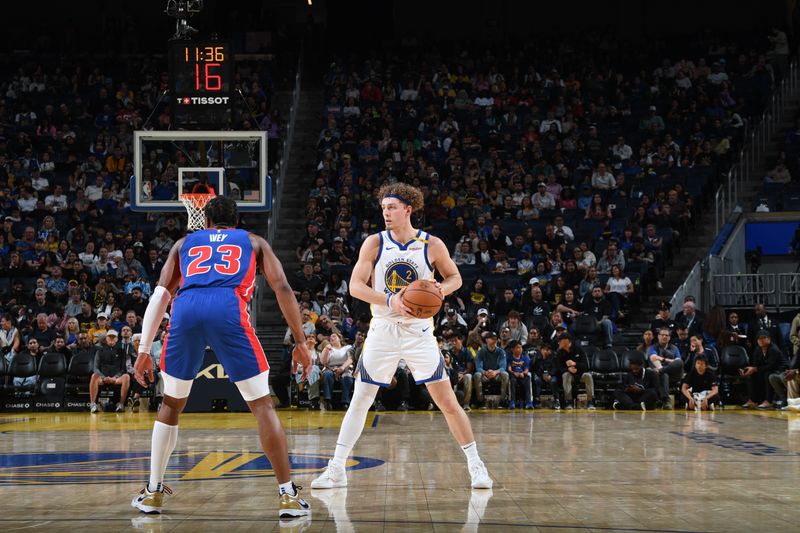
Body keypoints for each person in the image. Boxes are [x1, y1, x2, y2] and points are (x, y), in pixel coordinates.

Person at [131, 196, 312, 518]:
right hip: (228, 308)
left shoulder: (184, 243)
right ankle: (287, 494)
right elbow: (282, 288)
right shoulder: (253, 242)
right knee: (261, 404)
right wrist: (300, 341)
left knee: (171, 403)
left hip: (186, 309)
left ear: (206, 221)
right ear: (236, 221)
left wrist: (144, 350)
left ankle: (153, 491)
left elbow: (161, 293)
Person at [311, 183, 492, 490]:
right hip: (383, 329)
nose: (386, 213)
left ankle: (477, 466)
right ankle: (336, 468)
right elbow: (356, 286)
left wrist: (440, 290)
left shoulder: (431, 244)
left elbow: (455, 277)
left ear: (409, 210)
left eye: (392, 208)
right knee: (361, 399)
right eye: (383, 208)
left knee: (446, 400)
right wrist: (390, 300)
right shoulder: (374, 243)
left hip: (418, 332)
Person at [741, 330, 786, 409]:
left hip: (780, 370)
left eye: (763, 338)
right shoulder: (757, 350)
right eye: (759, 339)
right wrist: (749, 370)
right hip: (765, 369)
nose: (761, 340)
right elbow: (755, 365)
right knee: (752, 375)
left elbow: (771, 366)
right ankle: (753, 400)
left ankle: (768, 401)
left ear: (769, 339)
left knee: (767, 374)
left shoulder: (774, 349)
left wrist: (755, 369)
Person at [89, 330, 129, 413]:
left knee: (126, 377)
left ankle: (121, 404)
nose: (111, 339)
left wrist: (115, 377)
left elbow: (123, 369)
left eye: (113, 337)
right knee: (94, 376)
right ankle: (93, 404)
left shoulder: (122, 351)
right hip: (103, 378)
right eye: (109, 337)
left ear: (117, 339)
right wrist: (104, 377)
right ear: (106, 338)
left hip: (116, 378)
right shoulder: (99, 351)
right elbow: (96, 368)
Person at [556, 332, 596, 410]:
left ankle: (590, 401)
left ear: (567, 341)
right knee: (565, 375)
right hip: (570, 375)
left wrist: (575, 364)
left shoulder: (578, 349)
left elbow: (585, 366)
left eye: (560, 340)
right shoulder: (560, 352)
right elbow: (559, 368)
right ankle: (569, 401)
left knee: (588, 376)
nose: (559, 342)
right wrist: (568, 369)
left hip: (580, 374)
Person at [647, 328, 683, 409]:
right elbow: (653, 357)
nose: (664, 337)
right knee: (664, 374)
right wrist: (666, 363)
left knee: (680, 363)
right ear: (658, 336)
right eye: (662, 335)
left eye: (666, 335)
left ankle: (662, 371)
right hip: (658, 374)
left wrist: (664, 360)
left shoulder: (674, 348)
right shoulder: (653, 347)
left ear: (669, 337)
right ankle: (666, 400)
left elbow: (678, 361)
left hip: (673, 373)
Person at [474, 330, 509, 408]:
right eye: (491, 338)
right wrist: (485, 372)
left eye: (495, 338)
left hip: (496, 374)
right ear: (486, 340)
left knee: (505, 374)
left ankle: (502, 401)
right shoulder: (481, 351)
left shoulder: (501, 352)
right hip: (485, 374)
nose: (494, 340)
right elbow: (478, 367)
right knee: (477, 375)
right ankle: (480, 401)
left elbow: (503, 367)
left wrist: (495, 372)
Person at [319, 332, 355, 410]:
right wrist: (326, 349)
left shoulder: (348, 347)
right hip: (331, 368)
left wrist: (342, 368)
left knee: (347, 377)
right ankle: (327, 401)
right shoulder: (329, 349)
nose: (332, 338)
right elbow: (323, 362)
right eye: (330, 337)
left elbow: (350, 359)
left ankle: (345, 402)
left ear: (340, 338)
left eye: (334, 336)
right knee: (327, 374)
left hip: (345, 367)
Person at [506, 340, 533, 409]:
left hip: (522, 374)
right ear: (512, 349)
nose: (520, 349)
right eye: (518, 347)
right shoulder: (509, 357)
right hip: (513, 374)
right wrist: (514, 373)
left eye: (521, 347)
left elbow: (527, 369)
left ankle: (529, 402)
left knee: (528, 377)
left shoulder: (525, 357)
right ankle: (512, 401)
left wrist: (523, 373)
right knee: (511, 380)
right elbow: (509, 368)